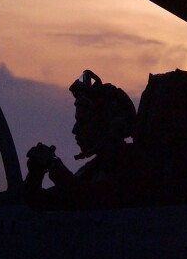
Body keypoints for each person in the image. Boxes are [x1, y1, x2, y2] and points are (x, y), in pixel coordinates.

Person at [23, 70, 156, 209]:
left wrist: (53, 164)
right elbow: (44, 203)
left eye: (83, 121)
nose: (75, 130)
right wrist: (35, 173)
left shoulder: (134, 167)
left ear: (109, 125)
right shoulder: (93, 170)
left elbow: (89, 199)